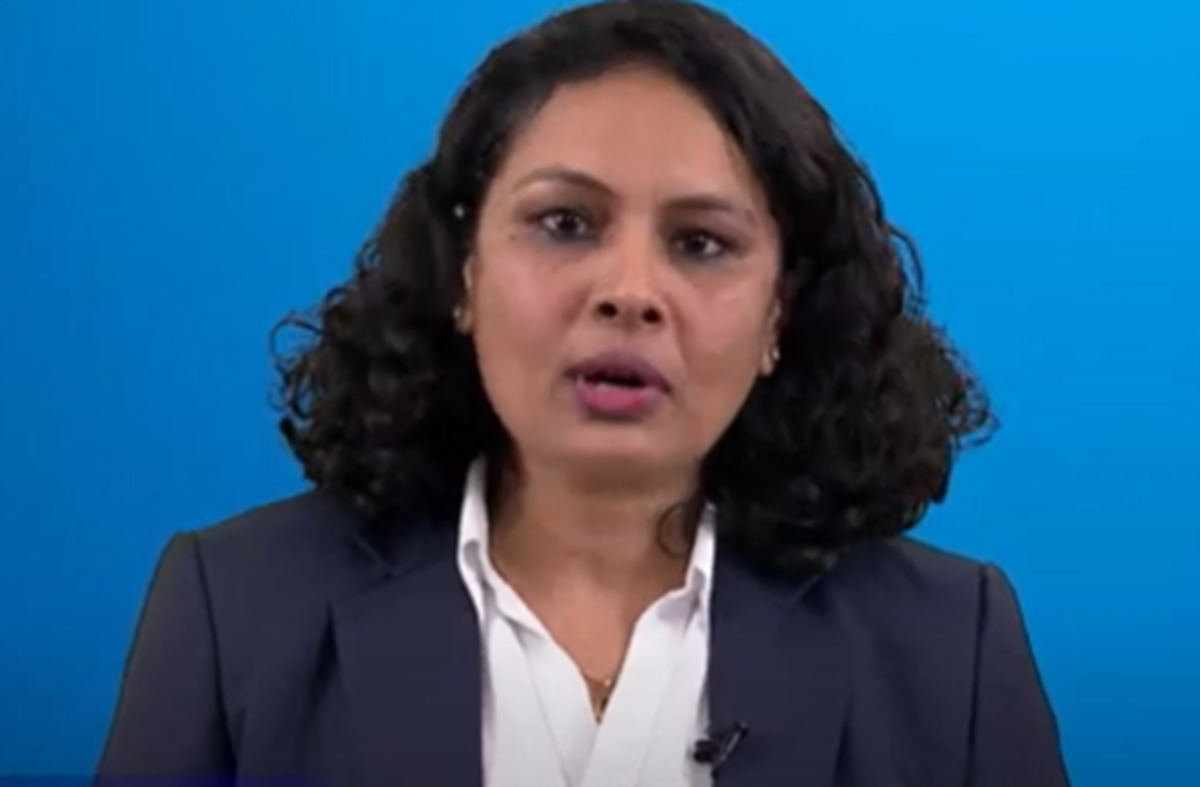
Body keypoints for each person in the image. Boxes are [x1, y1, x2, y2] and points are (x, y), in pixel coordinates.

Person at [96, 1, 1070, 785]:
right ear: (464, 273)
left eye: (701, 243)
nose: (630, 291)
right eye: (565, 222)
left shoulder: (952, 646)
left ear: (780, 313)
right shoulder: (237, 609)